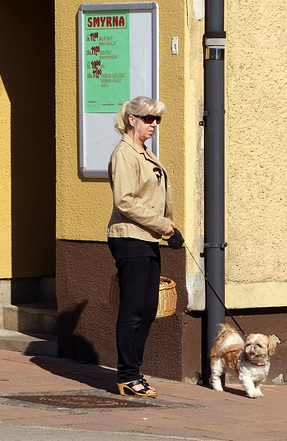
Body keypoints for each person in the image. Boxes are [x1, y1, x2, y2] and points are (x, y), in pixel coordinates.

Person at [107, 96, 175, 397]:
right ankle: (127, 375)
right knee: (133, 310)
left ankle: (135, 372)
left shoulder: (144, 152)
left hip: (146, 237)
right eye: (149, 118)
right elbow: (125, 201)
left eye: (157, 119)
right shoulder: (125, 153)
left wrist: (165, 227)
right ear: (132, 119)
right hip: (129, 237)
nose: (154, 125)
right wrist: (162, 224)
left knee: (148, 309)